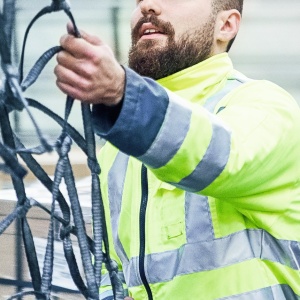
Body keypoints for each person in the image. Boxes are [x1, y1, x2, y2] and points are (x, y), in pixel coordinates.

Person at [54, 0, 300, 299]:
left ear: (226, 25)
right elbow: (111, 267)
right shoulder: (115, 150)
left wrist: (124, 95)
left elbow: (221, 157)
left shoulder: (265, 106)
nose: (148, 5)